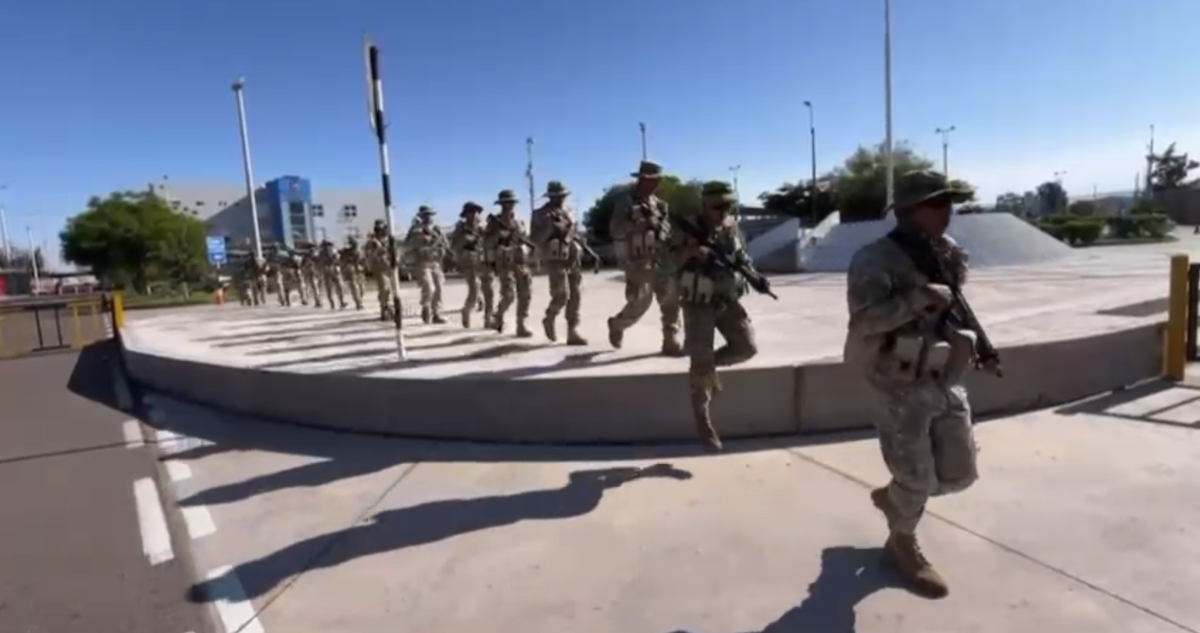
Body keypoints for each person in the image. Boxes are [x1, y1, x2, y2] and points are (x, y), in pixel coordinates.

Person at [844, 169, 984, 599]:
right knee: (917, 476)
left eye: (949, 201)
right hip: (894, 380)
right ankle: (902, 543)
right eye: (936, 203)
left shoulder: (950, 252)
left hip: (943, 372)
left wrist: (969, 338)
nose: (948, 211)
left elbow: (954, 305)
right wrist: (915, 300)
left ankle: (894, 497)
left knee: (960, 473)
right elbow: (863, 322)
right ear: (908, 211)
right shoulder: (874, 259)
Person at [674, 181, 759, 451]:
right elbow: (665, 263)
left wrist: (755, 277)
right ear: (704, 205)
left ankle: (706, 369)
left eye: (727, 205)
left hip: (727, 299)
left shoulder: (732, 226)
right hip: (698, 302)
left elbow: (742, 256)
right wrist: (690, 252)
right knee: (699, 361)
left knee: (746, 347)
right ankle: (704, 422)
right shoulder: (685, 228)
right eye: (717, 206)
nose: (723, 211)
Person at [607, 160, 683, 356]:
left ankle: (670, 338)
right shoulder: (625, 202)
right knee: (641, 302)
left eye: (656, 180)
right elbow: (615, 230)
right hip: (637, 261)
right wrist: (636, 224)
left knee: (671, 299)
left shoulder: (660, 205)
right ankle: (617, 324)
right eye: (650, 180)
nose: (655, 184)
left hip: (662, 258)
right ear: (641, 180)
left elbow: (667, 231)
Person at [531, 180, 587, 345]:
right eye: (556, 196)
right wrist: (549, 227)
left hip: (572, 256)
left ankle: (572, 331)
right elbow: (534, 239)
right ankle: (550, 318)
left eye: (562, 196)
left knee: (576, 294)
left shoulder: (569, 211)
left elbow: (575, 231)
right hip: (554, 257)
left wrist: (578, 240)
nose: (560, 199)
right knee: (562, 294)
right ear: (550, 197)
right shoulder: (540, 214)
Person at [484, 189, 533, 337]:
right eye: (505, 203)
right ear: (501, 205)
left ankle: (521, 324)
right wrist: (498, 235)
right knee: (509, 295)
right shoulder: (494, 223)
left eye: (511, 203)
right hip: (504, 262)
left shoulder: (519, 222)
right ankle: (498, 315)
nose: (509, 206)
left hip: (520, 260)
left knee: (525, 294)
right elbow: (486, 243)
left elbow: (525, 238)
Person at [450, 201, 493, 328]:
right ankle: (466, 310)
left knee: (489, 292)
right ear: (466, 215)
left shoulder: (481, 229)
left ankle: (488, 319)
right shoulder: (460, 229)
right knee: (474, 292)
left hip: (484, 262)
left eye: (477, 212)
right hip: (469, 263)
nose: (475, 215)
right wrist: (466, 239)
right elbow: (454, 246)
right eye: (472, 212)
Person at [405, 205, 449, 324]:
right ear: (421, 216)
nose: (428, 217)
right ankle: (426, 307)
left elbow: (445, 243)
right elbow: (408, 245)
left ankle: (437, 314)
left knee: (439, 288)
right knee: (429, 287)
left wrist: (441, 248)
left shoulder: (437, 230)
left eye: (430, 214)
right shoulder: (415, 230)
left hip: (435, 262)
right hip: (422, 263)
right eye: (425, 215)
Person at [364, 220, 395, 321]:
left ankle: (389, 308)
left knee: (391, 289)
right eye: (383, 229)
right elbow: (369, 255)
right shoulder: (373, 242)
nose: (385, 231)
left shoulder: (386, 240)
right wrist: (378, 251)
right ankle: (384, 308)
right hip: (379, 268)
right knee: (385, 288)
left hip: (389, 267)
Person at [317, 239, 347, 310]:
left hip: (326, 270)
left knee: (329, 288)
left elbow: (319, 262)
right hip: (334, 269)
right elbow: (338, 259)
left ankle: (332, 304)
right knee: (339, 286)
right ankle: (342, 302)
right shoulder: (334, 250)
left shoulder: (321, 252)